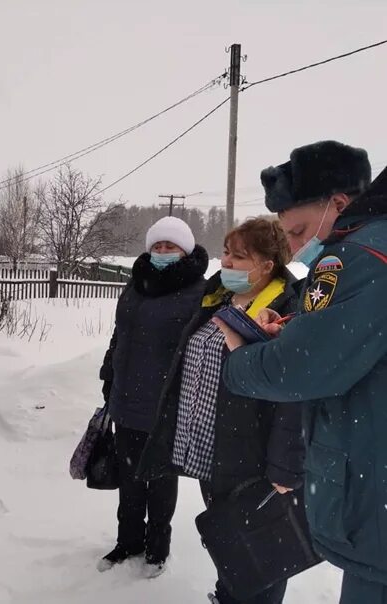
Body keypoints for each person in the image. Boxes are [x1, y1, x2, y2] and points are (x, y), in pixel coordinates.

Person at [217, 141, 387, 604]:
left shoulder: (354, 257)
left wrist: (240, 357)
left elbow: (301, 370)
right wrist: (296, 332)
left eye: (297, 230)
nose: (294, 245)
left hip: (374, 504)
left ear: (338, 204)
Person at [138, 218, 305, 603]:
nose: (226, 262)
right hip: (211, 454)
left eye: (239, 256)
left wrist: (284, 466)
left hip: (253, 460)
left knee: (260, 555)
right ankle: (225, 594)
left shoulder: (287, 311)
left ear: (267, 264)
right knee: (228, 542)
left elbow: (294, 397)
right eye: (226, 253)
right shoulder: (216, 299)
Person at [98, 216, 208, 578]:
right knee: (129, 480)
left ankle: (157, 549)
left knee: (160, 482)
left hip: (167, 406)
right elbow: (119, 336)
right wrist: (108, 373)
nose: (162, 252)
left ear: (185, 250)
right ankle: (128, 541)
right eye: (157, 246)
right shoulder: (135, 285)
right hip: (127, 400)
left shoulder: (198, 292)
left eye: (170, 247)